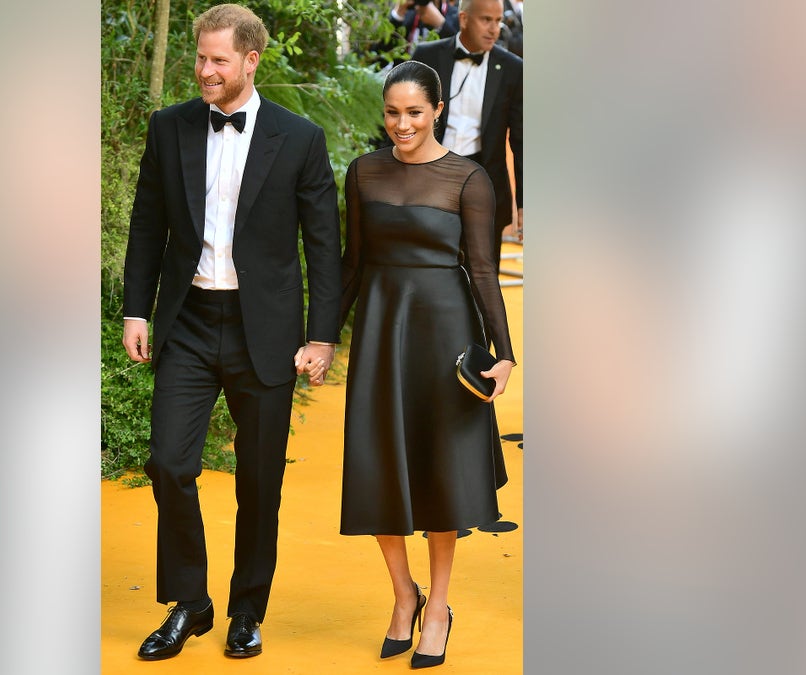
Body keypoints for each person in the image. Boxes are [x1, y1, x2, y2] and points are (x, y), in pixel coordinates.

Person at [121, 3, 341, 661]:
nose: (205, 71)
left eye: (218, 59)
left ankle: (247, 609)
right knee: (169, 461)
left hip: (265, 331)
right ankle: (190, 602)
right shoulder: (170, 128)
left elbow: (323, 246)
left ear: (251, 59)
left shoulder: (299, 138)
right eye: (200, 58)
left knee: (259, 482)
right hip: (188, 321)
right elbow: (146, 225)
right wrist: (138, 309)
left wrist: (321, 335)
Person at [338, 60, 517, 669]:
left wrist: (505, 352)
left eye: (414, 112)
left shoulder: (469, 179)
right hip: (381, 333)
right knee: (375, 462)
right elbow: (352, 263)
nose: (402, 124)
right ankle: (402, 593)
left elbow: (485, 270)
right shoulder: (363, 173)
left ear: (437, 110)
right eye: (392, 112)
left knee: (441, 470)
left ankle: (437, 606)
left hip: (445, 335)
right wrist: (319, 337)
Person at [411, 0, 523, 254]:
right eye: (486, 20)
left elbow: (522, 141)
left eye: (498, 21)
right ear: (463, 19)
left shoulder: (513, 69)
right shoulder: (426, 56)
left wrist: (525, 203)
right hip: (429, 180)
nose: (494, 29)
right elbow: (403, 119)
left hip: (484, 184)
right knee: (429, 272)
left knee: (482, 279)